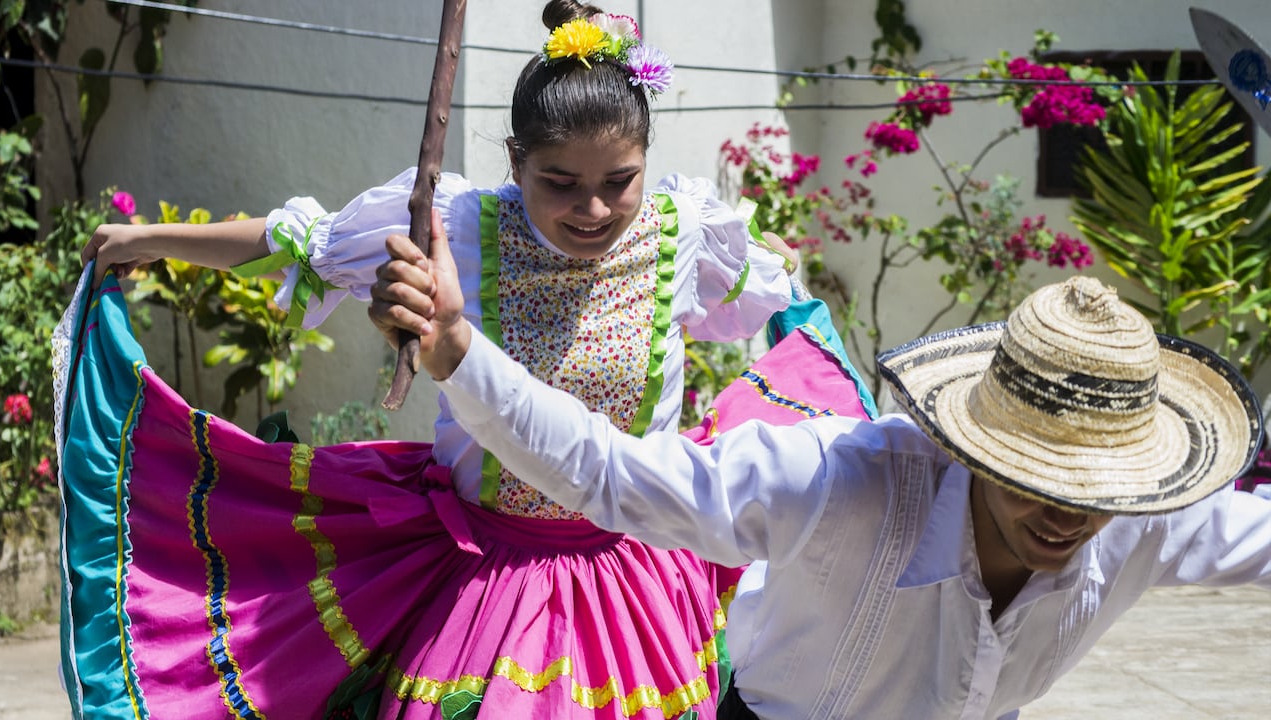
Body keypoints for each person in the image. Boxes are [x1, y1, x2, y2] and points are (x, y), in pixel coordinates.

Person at [67, 2, 805, 718]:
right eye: (560, 183)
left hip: (635, 577)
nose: (593, 210)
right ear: (516, 160)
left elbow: (773, 298)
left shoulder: (686, 236)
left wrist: (793, 312)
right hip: (483, 580)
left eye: (619, 182)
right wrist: (143, 241)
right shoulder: (454, 227)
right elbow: (301, 243)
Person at [368, 212, 1271, 720]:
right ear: (975, 441)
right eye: (1034, 472)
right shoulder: (841, 480)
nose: (1068, 512)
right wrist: (456, 350)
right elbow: (616, 475)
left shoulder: (1147, 519)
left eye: (1096, 490)